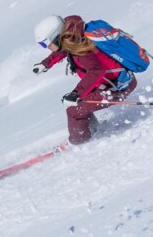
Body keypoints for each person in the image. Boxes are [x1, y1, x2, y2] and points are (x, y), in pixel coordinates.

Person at [32, 15, 137, 144]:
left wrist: (76, 93)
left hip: (116, 88)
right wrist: (45, 64)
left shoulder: (81, 49)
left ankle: (79, 142)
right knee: (78, 103)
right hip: (116, 82)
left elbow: (96, 70)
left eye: (45, 44)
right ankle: (91, 132)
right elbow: (64, 50)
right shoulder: (74, 37)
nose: (46, 47)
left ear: (57, 37)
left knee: (74, 110)